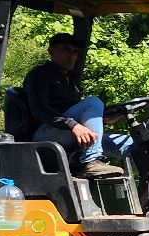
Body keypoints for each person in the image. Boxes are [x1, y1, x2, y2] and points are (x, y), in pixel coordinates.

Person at [23, 33, 130, 179]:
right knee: (93, 101)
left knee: (133, 143)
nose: (72, 56)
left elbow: (78, 112)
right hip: (44, 134)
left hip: (67, 131)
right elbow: (39, 110)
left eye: (75, 52)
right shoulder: (39, 75)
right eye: (66, 50)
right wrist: (73, 125)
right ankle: (91, 161)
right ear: (51, 51)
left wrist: (103, 119)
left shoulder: (69, 81)